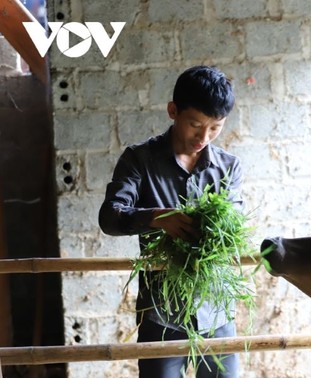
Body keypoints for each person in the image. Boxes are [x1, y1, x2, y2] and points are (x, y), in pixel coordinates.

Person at [99, 65, 242, 378]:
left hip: (215, 310)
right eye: (195, 124)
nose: (203, 137)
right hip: (162, 313)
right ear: (173, 111)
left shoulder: (228, 167)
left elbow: (233, 224)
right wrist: (156, 217)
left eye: (215, 128)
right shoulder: (139, 159)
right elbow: (109, 217)